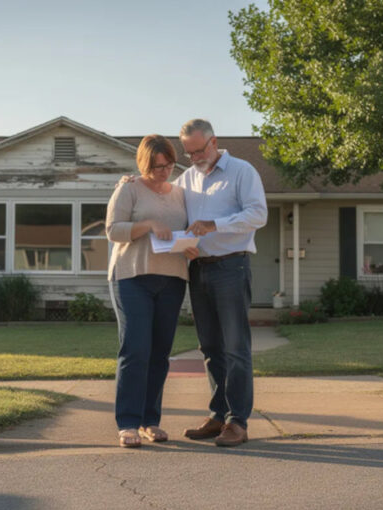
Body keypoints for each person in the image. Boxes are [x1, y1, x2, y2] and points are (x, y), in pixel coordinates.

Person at [176, 119, 268, 447]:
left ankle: (237, 422)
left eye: (198, 150)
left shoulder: (242, 172)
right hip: (198, 270)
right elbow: (166, 208)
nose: (194, 157)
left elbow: (258, 214)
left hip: (231, 267)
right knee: (211, 348)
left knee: (235, 347)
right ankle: (218, 415)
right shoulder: (186, 179)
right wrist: (134, 183)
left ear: (214, 141)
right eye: (188, 153)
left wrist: (216, 224)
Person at [105, 134, 189, 448]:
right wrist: (148, 224)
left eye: (168, 165)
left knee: (159, 355)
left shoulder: (181, 193)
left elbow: (186, 228)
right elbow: (113, 231)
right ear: (144, 164)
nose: (163, 171)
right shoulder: (128, 188)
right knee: (136, 350)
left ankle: (150, 421)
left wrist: (191, 246)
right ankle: (127, 422)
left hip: (172, 278)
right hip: (132, 278)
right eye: (156, 167)